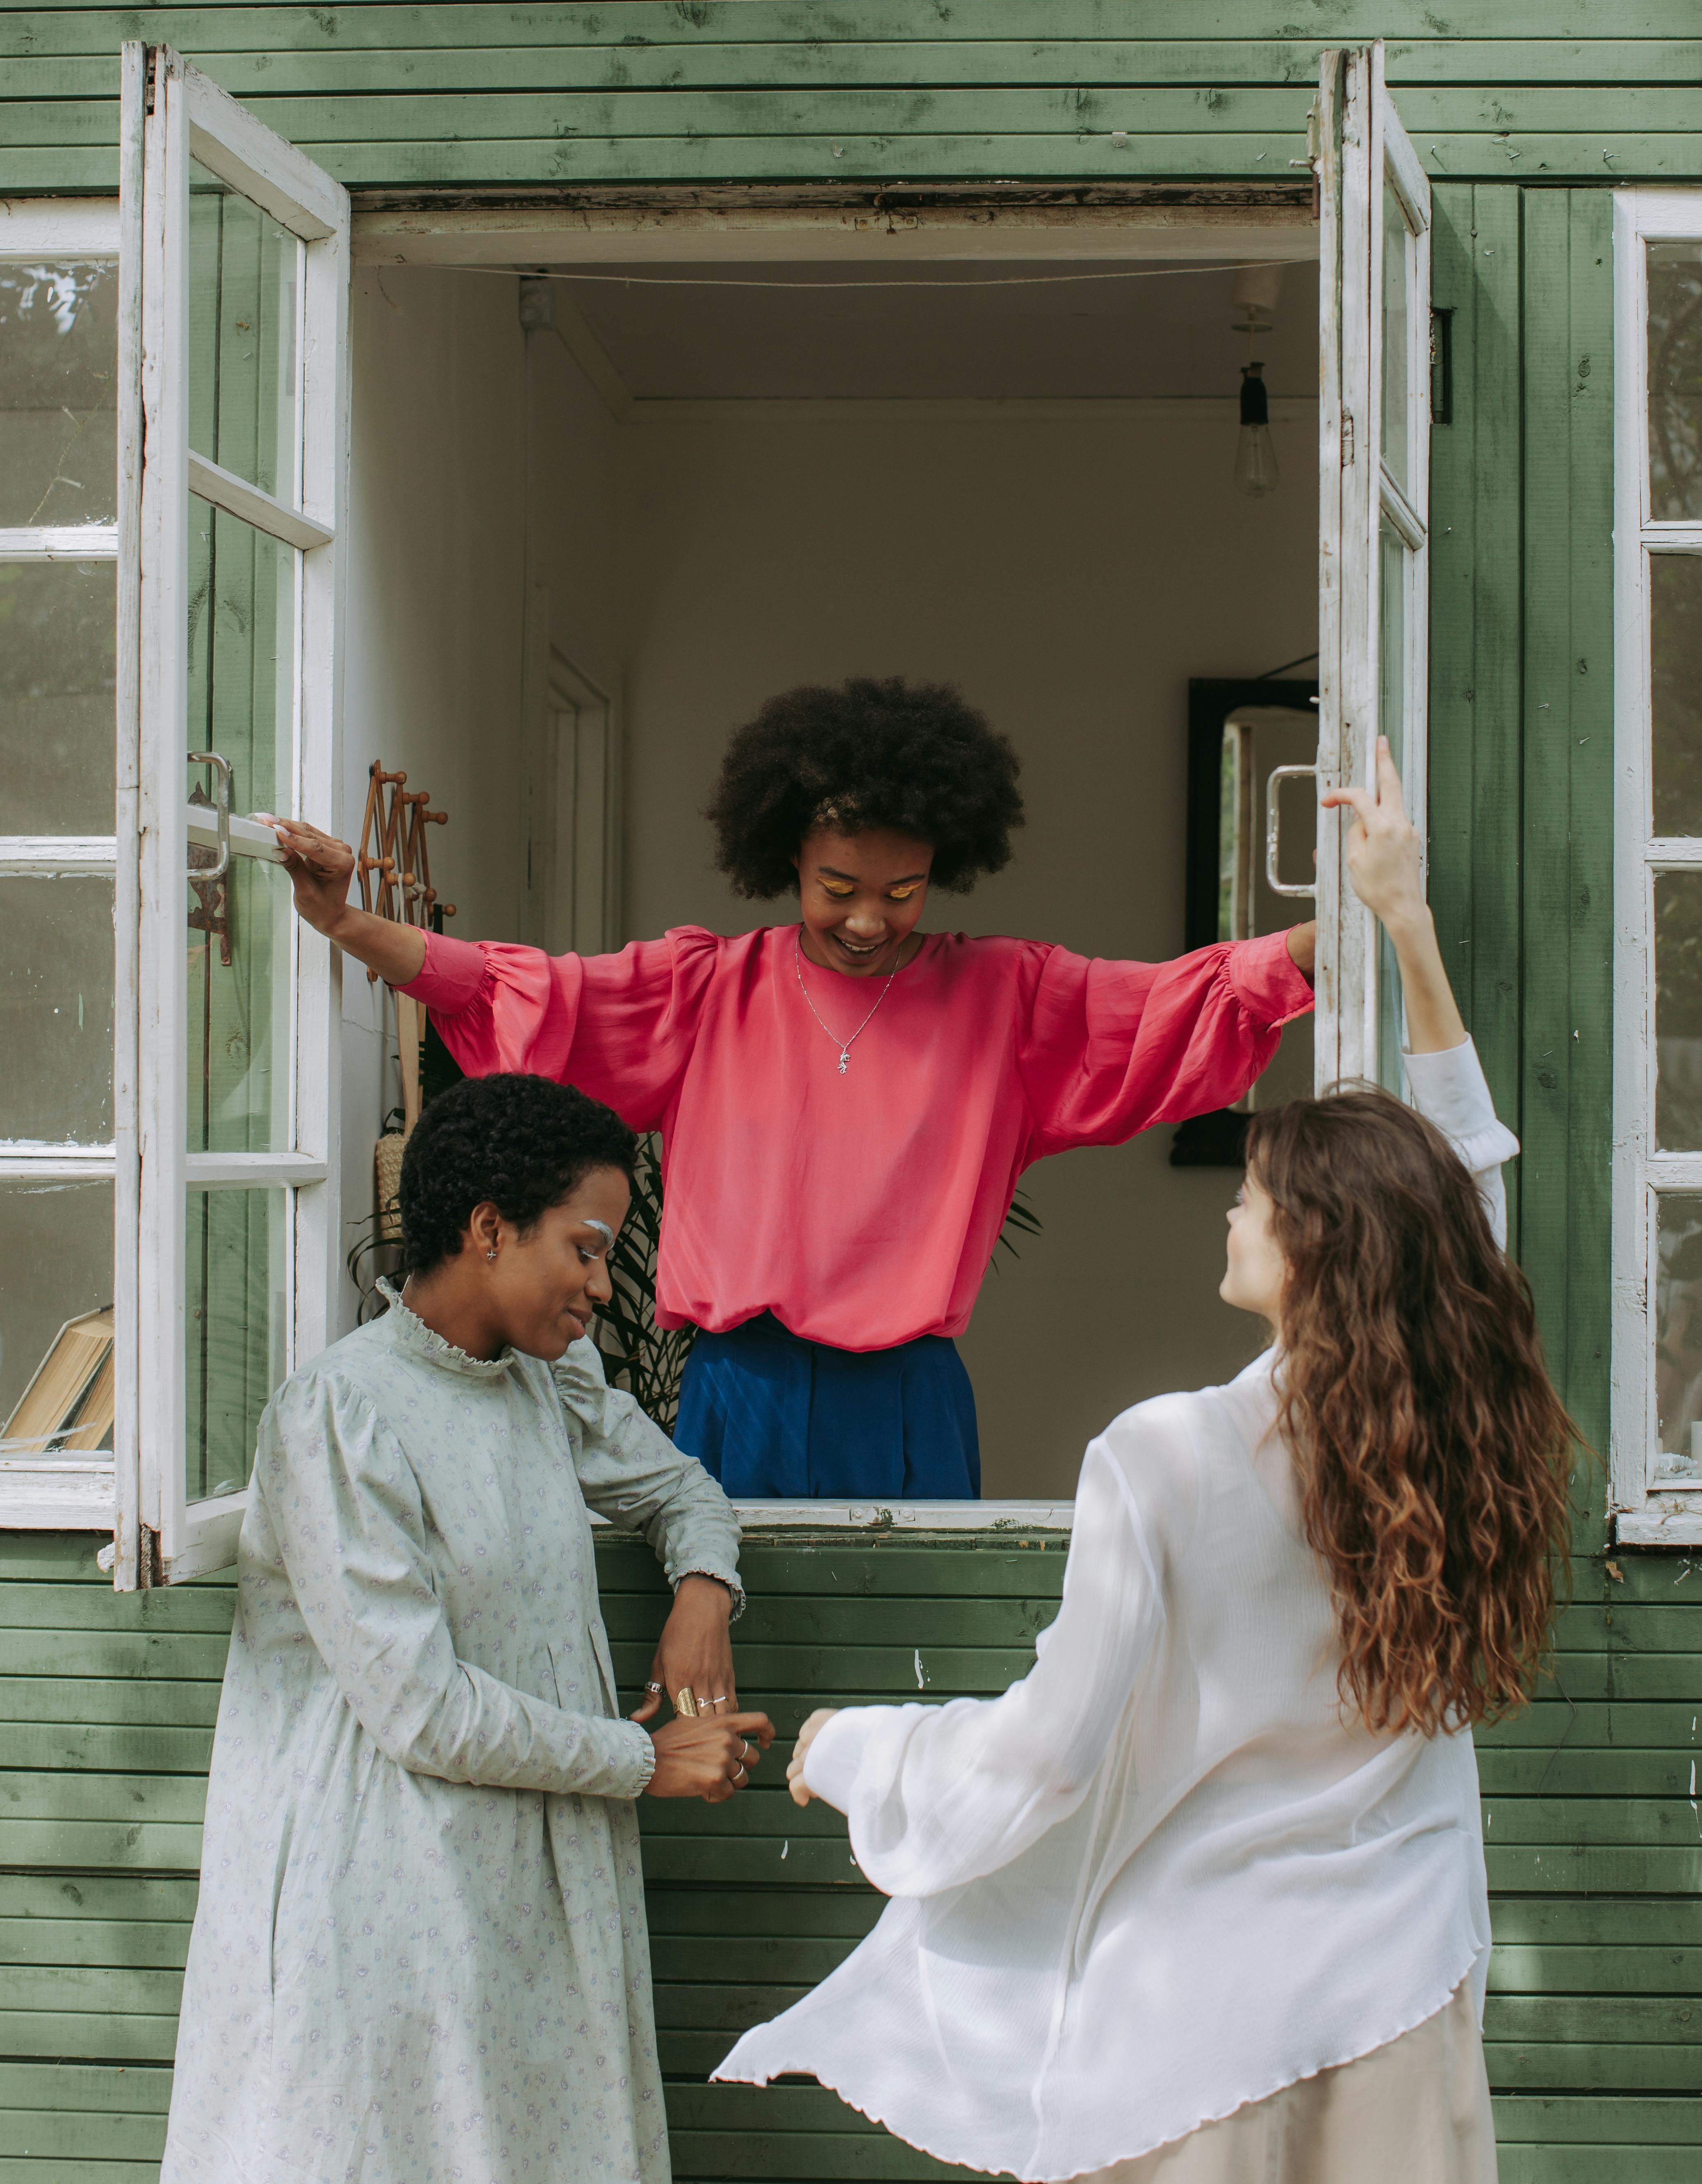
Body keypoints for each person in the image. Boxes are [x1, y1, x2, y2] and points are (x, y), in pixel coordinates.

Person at [716, 744, 1578, 2184]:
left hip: (1196, 2011)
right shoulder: (1449, 1419)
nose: (1226, 1216)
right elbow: (1458, 1179)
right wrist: (1400, 921)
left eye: (1249, 1198)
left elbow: (1046, 1752)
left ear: (1315, 1242)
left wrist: (861, 1747)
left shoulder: (1163, 1454)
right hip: (1398, 1975)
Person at [263, 675, 1315, 1505]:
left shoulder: (1005, 996)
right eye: (837, 890)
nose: (868, 920)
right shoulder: (707, 987)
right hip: (735, 1387)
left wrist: (1334, 933)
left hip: (909, 1396)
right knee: (729, 1641)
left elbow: (1181, 1002)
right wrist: (351, 925)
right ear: (785, 860)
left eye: (902, 892)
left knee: (908, 1670)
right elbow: (537, 992)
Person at [162, 1072, 773, 2184]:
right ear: (488, 1228)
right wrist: (646, 1757)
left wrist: (702, 1590)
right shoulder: (344, 1412)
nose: (599, 1283)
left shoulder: (546, 1379)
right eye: (583, 1248)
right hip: (391, 1883)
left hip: (531, 1870)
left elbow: (680, 1488)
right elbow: (422, 1708)